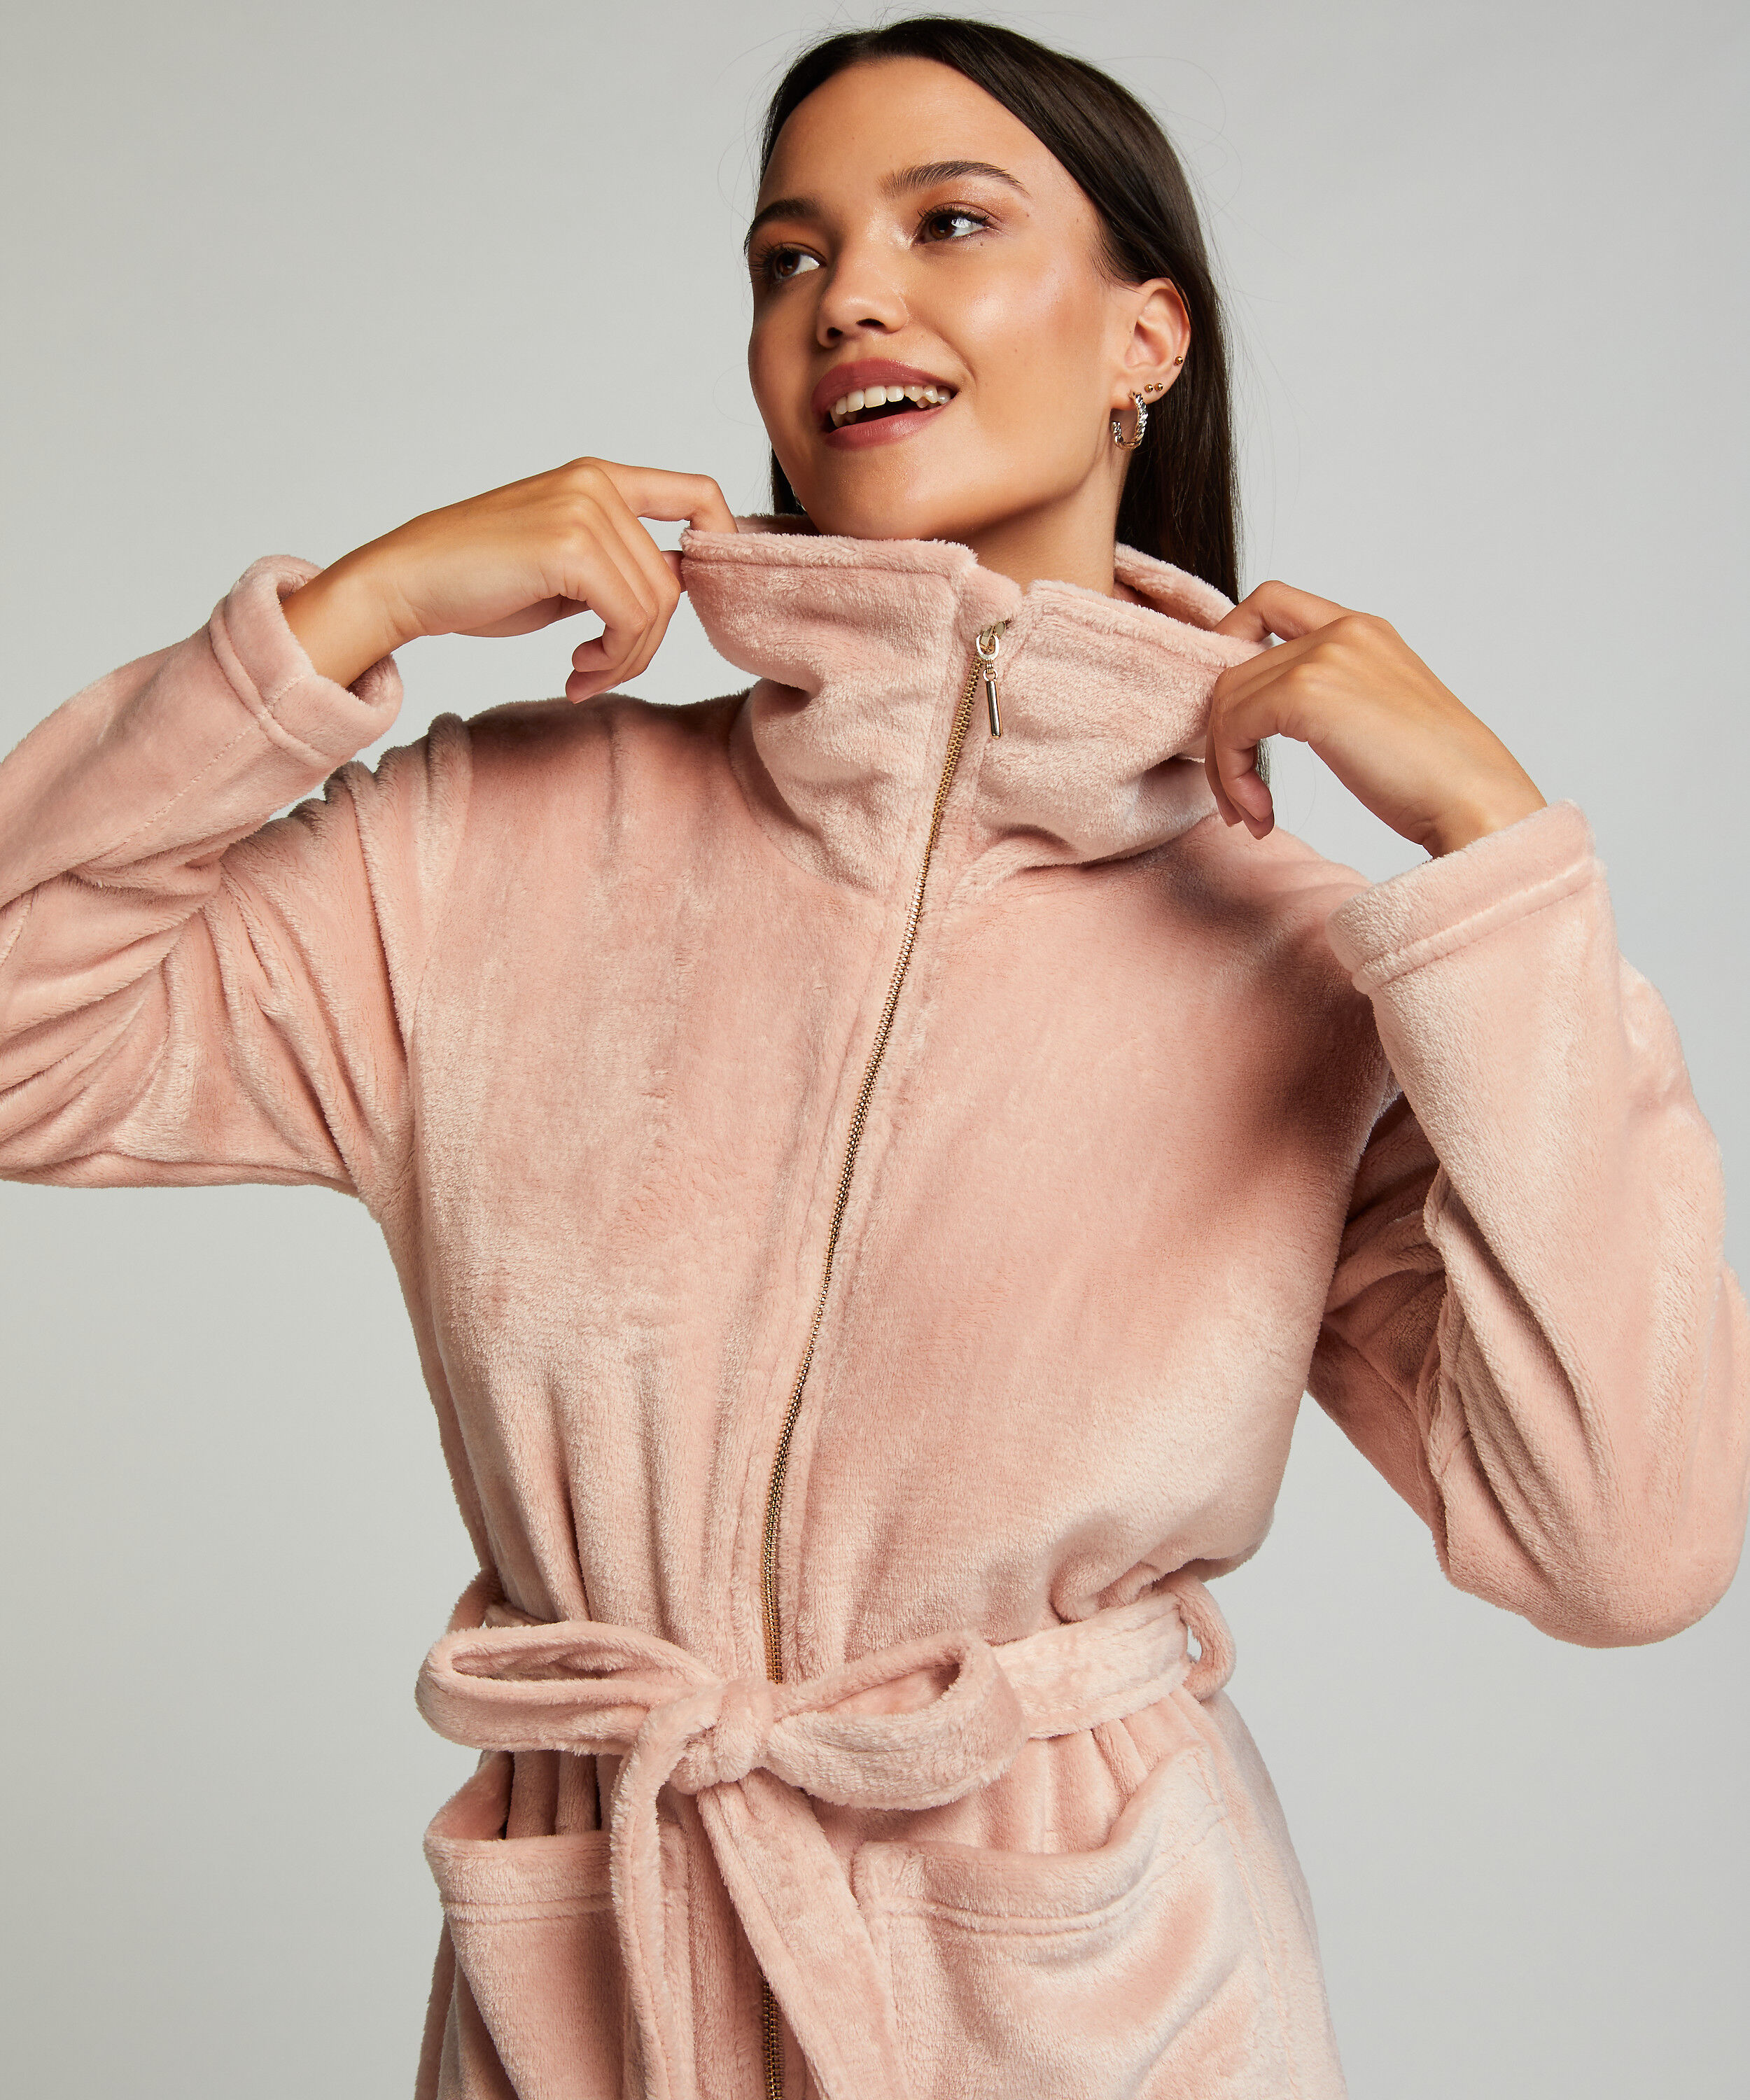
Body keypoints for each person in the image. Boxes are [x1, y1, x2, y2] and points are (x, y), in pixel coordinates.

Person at [2, 15, 1744, 2099]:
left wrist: (1500, 866)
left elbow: (1619, 1546)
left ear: (1146, 338)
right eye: (790, 255)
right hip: (608, 1983)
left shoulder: (1312, 972)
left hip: (1099, 2008)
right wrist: (342, 622)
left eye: (950, 223)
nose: (849, 299)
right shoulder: (498, 844)